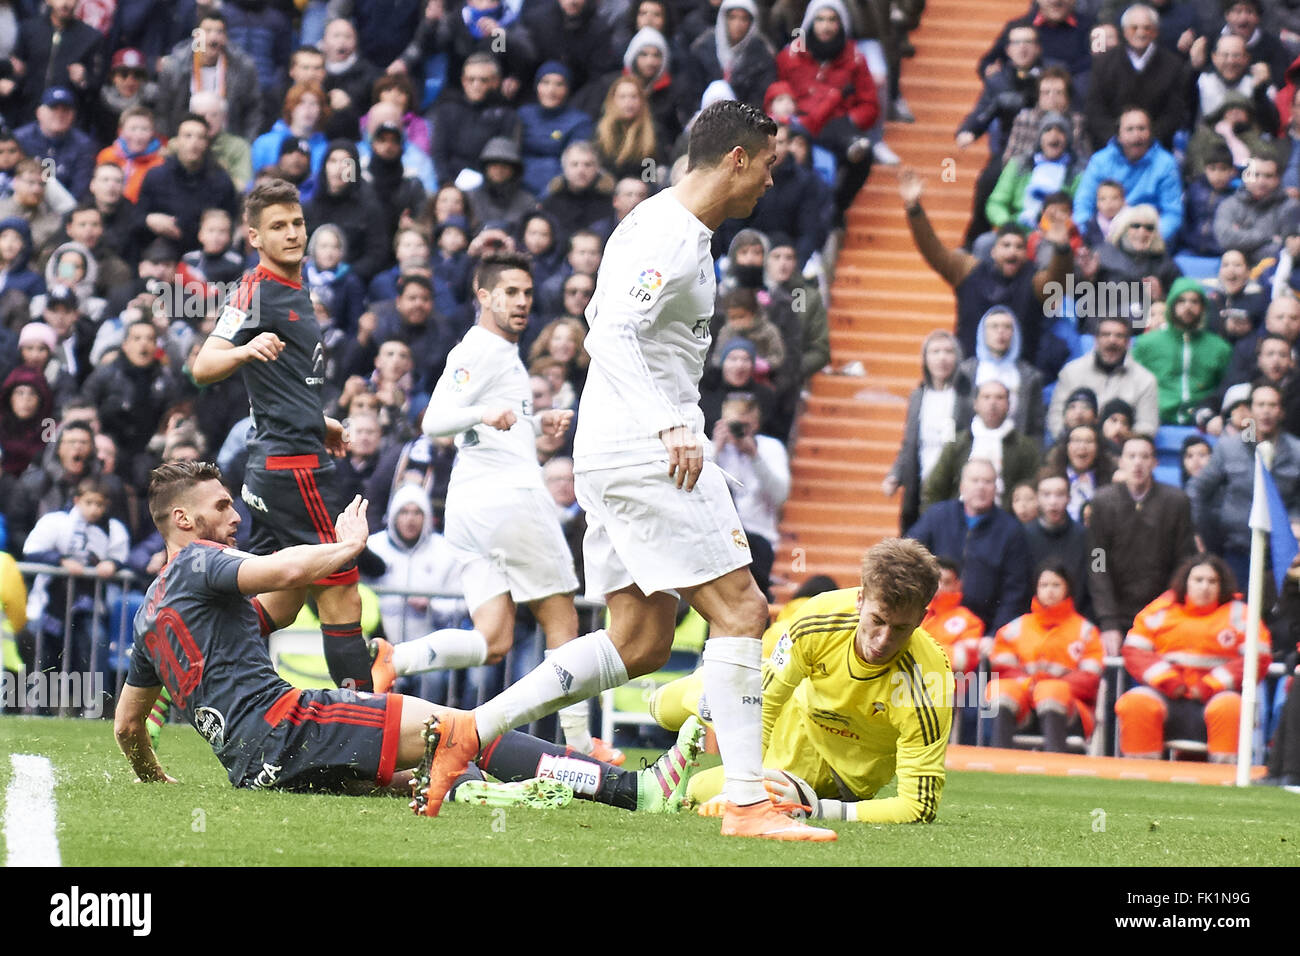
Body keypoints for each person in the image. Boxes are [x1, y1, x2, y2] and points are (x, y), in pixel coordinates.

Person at [407, 100, 834, 841]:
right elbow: (609, 333)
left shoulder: (668, 226)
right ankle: (746, 802)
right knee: (741, 610)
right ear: (736, 158)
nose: (772, 179)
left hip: (612, 449)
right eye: (768, 163)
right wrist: (671, 420)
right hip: (648, 448)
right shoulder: (670, 231)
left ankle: (470, 730)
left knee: (640, 640)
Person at [113, 460, 707, 815]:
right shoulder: (199, 563)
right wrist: (345, 547)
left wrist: (152, 776)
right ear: (184, 521)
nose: (234, 517)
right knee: (466, 729)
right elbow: (289, 573)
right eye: (221, 507)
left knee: (437, 769)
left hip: (253, 766)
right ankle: (635, 790)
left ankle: (481, 793)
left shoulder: (151, 615)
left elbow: (129, 727)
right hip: (293, 725)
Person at [388, 251, 622, 765]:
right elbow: (434, 420)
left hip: (471, 507)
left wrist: (536, 426)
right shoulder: (485, 348)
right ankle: (582, 749)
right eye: (510, 292)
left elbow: (480, 428)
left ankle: (394, 658)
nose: (521, 302)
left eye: (527, 293)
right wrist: (485, 411)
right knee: (563, 623)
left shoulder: (497, 354)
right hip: (510, 500)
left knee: (493, 639)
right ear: (484, 296)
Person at [190, 178, 373, 695]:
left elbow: (287, 381)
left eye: (296, 223)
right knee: (341, 593)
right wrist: (245, 351)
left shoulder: (296, 285)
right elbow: (203, 365)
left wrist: (320, 422)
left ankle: (179, 666)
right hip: (295, 470)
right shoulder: (256, 289)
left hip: (287, 456)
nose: (292, 234)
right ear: (254, 236)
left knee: (283, 600)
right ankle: (371, 735)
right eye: (278, 226)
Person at [651, 538, 954, 824]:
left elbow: (918, 806)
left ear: (921, 618)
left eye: (901, 628)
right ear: (860, 600)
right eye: (878, 620)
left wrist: (820, 809)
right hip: (793, 716)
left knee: (697, 791)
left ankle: (665, 774)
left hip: (837, 778)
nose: (884, 639)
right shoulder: (819, 618)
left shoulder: (928, 682)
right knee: (678, 701)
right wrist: (746, 785)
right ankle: (661, 718)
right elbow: (766, 702)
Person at [1114, 553, 1271, 761]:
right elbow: (1134, 651)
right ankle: (1139, 778)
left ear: (1221, 585)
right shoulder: (1160, 611)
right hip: (1167, 694)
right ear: (1185, 583)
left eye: (1212, 581)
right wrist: (1168, 681)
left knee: (1230, 708)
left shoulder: (1240, 615)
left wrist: (1211, 684)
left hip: (1219, 696)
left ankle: (1224, 782)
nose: (1205, 587)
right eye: (1198, 580)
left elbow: (1258, 657)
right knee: (1134, 703)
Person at [1086, 434, 1197, 655]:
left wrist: (1167, 610)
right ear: (1121, 462)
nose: (1138, 462)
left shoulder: (1176, 502)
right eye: (1131, 456)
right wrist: (1108, 621)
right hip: (1115, 609)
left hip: (1161, 609)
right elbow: (1097, 565)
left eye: (1144, 456)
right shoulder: (1102, 502)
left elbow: (1184, 560)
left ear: (1155, 463)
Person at [1188, 382, 1300, 588]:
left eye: (1272, 405)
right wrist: (1198, 531)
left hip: (1282, 552)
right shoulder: (1229, 448)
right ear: (1249, 410)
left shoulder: (1296, 452)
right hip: (1236, 551)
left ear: (1282, 411)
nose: (1266, 411)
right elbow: (1197, 490)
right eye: (1260, 404)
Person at [908, 457, 1032, 634]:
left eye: (988, 481)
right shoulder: (938, 516)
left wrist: (995, 636)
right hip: (930, 623)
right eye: (975, 480)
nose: (981, 487)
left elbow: (1015, 592)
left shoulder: (1011, 531)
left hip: (983, 632)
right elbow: (908, 554)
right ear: (962, 486)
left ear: (996, 488)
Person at [988, 562, 1103, 752]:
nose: (1050, 591)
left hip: (1069, 711)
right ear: (1036, 589)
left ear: (1068, 588)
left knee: (1051, 691)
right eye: (1044, 585)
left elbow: (1090, 678)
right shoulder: (1014, 629)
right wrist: (1030, 685)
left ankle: (1054, 767)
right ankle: (999, 764)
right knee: (1000, 689)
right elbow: (1002, 669)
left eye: (1056, 585)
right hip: (1023, 708)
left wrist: (1046, 685)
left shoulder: (1085, 630)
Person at [1047, 315, 1160, 436]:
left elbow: (1147, 426)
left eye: (1119, 336)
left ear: (1128, 342)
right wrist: (1075, 442)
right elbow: (1055, 418)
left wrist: (1123, 436)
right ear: (1096, 340)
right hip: (1074, 448)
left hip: (1120, 450)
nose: (1112, 340)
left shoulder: (1145, 380)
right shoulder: (1071, 372)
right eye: (1106, 334)